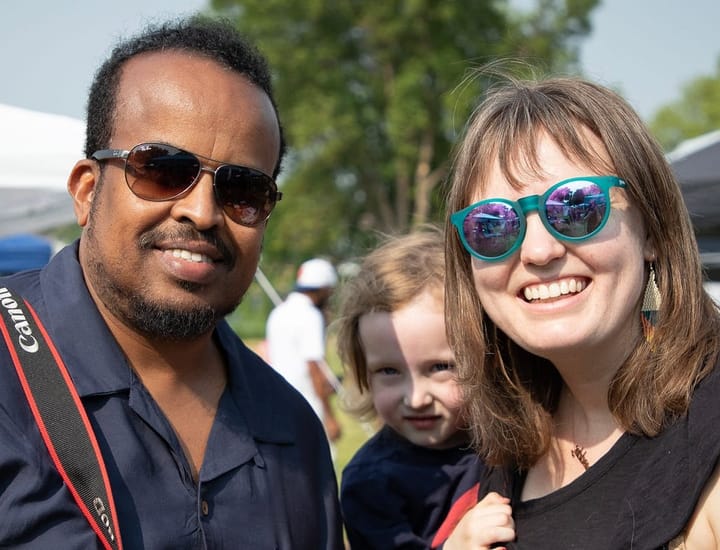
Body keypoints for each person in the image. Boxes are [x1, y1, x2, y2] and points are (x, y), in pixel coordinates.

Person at [0, 18, 342, 549]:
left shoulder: (292, 431)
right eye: (161, 169)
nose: (202, 212)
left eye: (243, 189)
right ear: (88, 191)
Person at [444, 73, 720, 548]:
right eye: (493, 224)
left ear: (651, 230)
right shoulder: (510, 444)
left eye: (576, 206)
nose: (537, 250)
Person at [335, 226, 512, 549]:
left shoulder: (512, 439)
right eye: (389, 371)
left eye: (441, 367)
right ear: (364, 374)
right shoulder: (370, 483)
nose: (416, 398)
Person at [266, 258, 342, 442]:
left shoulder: (278, 312)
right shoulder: (311, 316)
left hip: (279, 402)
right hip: (307, 404)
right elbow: (314, 366)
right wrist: (329, 417)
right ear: (323, 288)